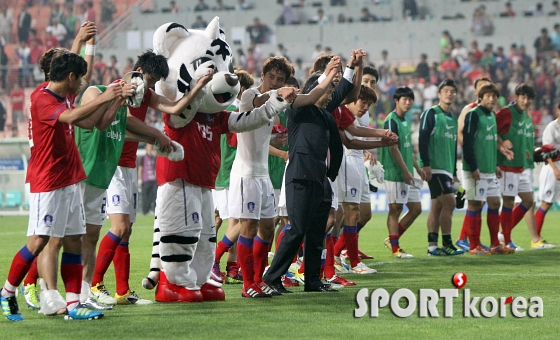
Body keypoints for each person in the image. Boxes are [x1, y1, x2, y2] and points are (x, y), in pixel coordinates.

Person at [0, 51, 124, 322]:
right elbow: (68, 118)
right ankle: (8, 291)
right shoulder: (42, 98)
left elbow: (90, 122)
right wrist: (104, 96)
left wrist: (114, 98)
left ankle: (72, 304)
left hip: (71, 179)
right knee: (38, 241)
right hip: (48, 181)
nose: (82, 83)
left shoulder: (64, 96)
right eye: (79, 79)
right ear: (70, 78)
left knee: (74, 242)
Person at [88, 51, 208, 306]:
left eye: (155, 82)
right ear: (139, 70)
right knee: (119, 227)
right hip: (113, 166)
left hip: (129, 167)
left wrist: (198, 86)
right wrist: (155, 134)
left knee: (127, 230)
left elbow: (174, 107)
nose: (151, 86)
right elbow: (127, 123)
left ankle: (122, 292)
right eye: (150, 79)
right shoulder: (117, 91)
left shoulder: (147, 94)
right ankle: (95, 284)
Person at [263, 51, 360, 294]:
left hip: (320, 178)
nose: (329, 97)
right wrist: (330, 73)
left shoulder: (323, 114)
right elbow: (319, 91)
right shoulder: (296, 108)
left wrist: (352, 67)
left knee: (317, 232)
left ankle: (313, 281)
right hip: (299, 175)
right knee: (297, 228)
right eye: (325, 92)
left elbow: (343, 91)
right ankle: (272, 277)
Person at [495, 84, 554, 250]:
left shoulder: (527, 117)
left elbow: (524, 141)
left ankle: (503, 235)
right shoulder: (506, 112)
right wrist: (501, 143)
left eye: (529, 98)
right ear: (516, 96)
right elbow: (491, 131)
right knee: (507, 201)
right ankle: (505, 239)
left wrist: (531, 153)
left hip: (521, 166)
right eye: (523, 97)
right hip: (507, 164)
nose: (526, 101)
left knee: (528, 201)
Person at [211, 69, 254, 285]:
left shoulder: (220, 109)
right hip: (228, 173)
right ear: (242, 90)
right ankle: (216, 263)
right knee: (235, 220)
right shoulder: (233, 112)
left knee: (225, 218)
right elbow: (234, 143)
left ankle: (230, 266)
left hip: (221, 173)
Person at [462, 84, 514, 255]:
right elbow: (468, 143)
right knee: (475, 204)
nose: (491, 99)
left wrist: (496, 165)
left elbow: (490, 143)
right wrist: (474, 167)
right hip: (476, 169)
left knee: (495, 203)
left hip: (490, 170)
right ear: (481, 97)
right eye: (488, 96)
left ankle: (495, 244)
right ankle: (473, 245)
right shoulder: (473, 115)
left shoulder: (492, 115)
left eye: (494, 96)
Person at [419, 79, 463, 256]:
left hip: (446, 169)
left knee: (437, 206)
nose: (449, 94)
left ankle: (432, 247)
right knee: (451, 202)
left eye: (452, 91)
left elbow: (453, 148)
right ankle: (447, 244)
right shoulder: (431, 113)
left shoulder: (453, 118)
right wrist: (426, 165)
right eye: (446, 90)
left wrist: (454, 173)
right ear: (439, 94)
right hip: (434, 168)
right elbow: (423, 139)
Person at [380, 87, 425, 258]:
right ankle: (395, 248)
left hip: (407, 173)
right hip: (395, 173)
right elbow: (393, 148)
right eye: (404, 100)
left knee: (416, 208)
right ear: (396, 101)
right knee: (395, 209)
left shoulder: (405, 121)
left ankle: (392, 238)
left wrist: (418, 169)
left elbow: (406, 149)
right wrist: (406, 171)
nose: (407, 102)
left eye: (410, 100)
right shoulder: (391, 121)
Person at [455, 77, 492, 252]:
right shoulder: (469, 109)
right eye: (482, 87)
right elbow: (462, 134)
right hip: (472, 163)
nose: (486, 90)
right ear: (476, 91)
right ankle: (465, 239)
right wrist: (471, 156)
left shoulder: (488, 112)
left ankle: (467, 238)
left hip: (485, 163)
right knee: (473, 202)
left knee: (480, 202)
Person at [535, 108, 560, 238]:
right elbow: (546, 151)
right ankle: (536, 236)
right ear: (558, 111)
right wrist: (555, 169)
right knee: (546, 202)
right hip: (552, 168)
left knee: (549, 203)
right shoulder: (552, 127)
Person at [139, 143, 158, 215]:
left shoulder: (154, 157)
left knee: (154, 196)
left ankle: (153, 210)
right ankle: (145, 211)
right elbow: (141, 169)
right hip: (146, 180)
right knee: (145, 197)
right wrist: (140, 179)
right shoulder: (143, 158)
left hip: (154, 180)